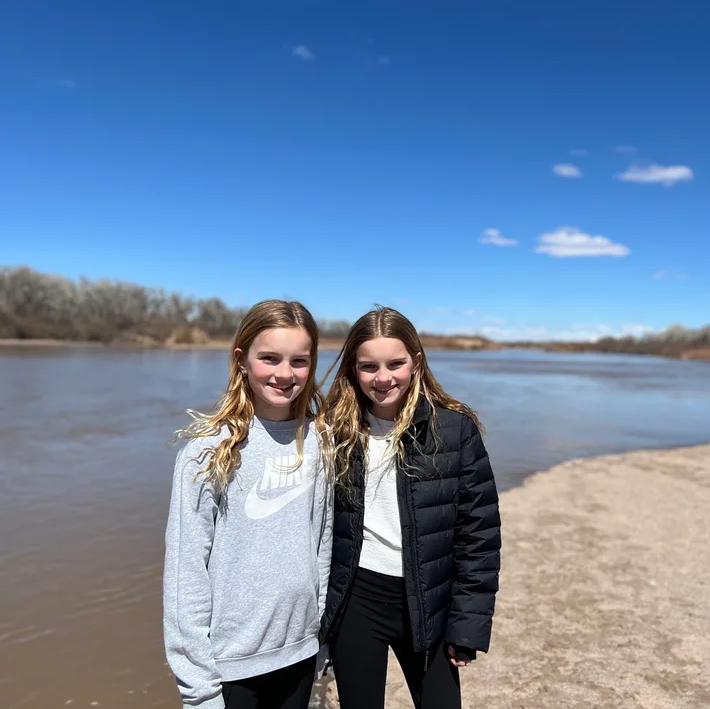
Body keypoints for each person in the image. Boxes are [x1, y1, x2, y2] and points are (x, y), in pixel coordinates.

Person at [320, 306, 501, 709]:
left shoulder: (454, 429)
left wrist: (467, 625)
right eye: (369, 366)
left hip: (428, 601)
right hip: (356, 600)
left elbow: (479, 536)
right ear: (353, 368)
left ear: (416, 362)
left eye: (395, 364)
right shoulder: (334, 428)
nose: (383, 378)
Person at [163, 300, 333, 709]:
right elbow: (186, 572)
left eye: (299, 361)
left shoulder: (320, 442)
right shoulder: (207, 452)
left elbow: (321, 544)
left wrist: (320, 635)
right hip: (230, 663)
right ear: (242, 360)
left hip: (300, 652)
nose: (284, 373)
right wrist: (198, 686)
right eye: (269, 358)